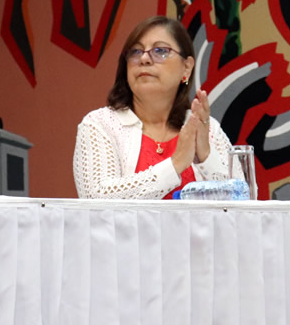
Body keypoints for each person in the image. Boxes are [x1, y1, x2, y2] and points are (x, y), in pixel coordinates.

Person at [73, 16, 234, 199]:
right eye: (135, 51)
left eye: (160, 51)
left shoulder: (207, 128)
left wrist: (205, 154)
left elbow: (244, 203)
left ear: (186, 68)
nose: (144, 59)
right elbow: (96, 199)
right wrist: (175, 164)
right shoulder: (100, 125)